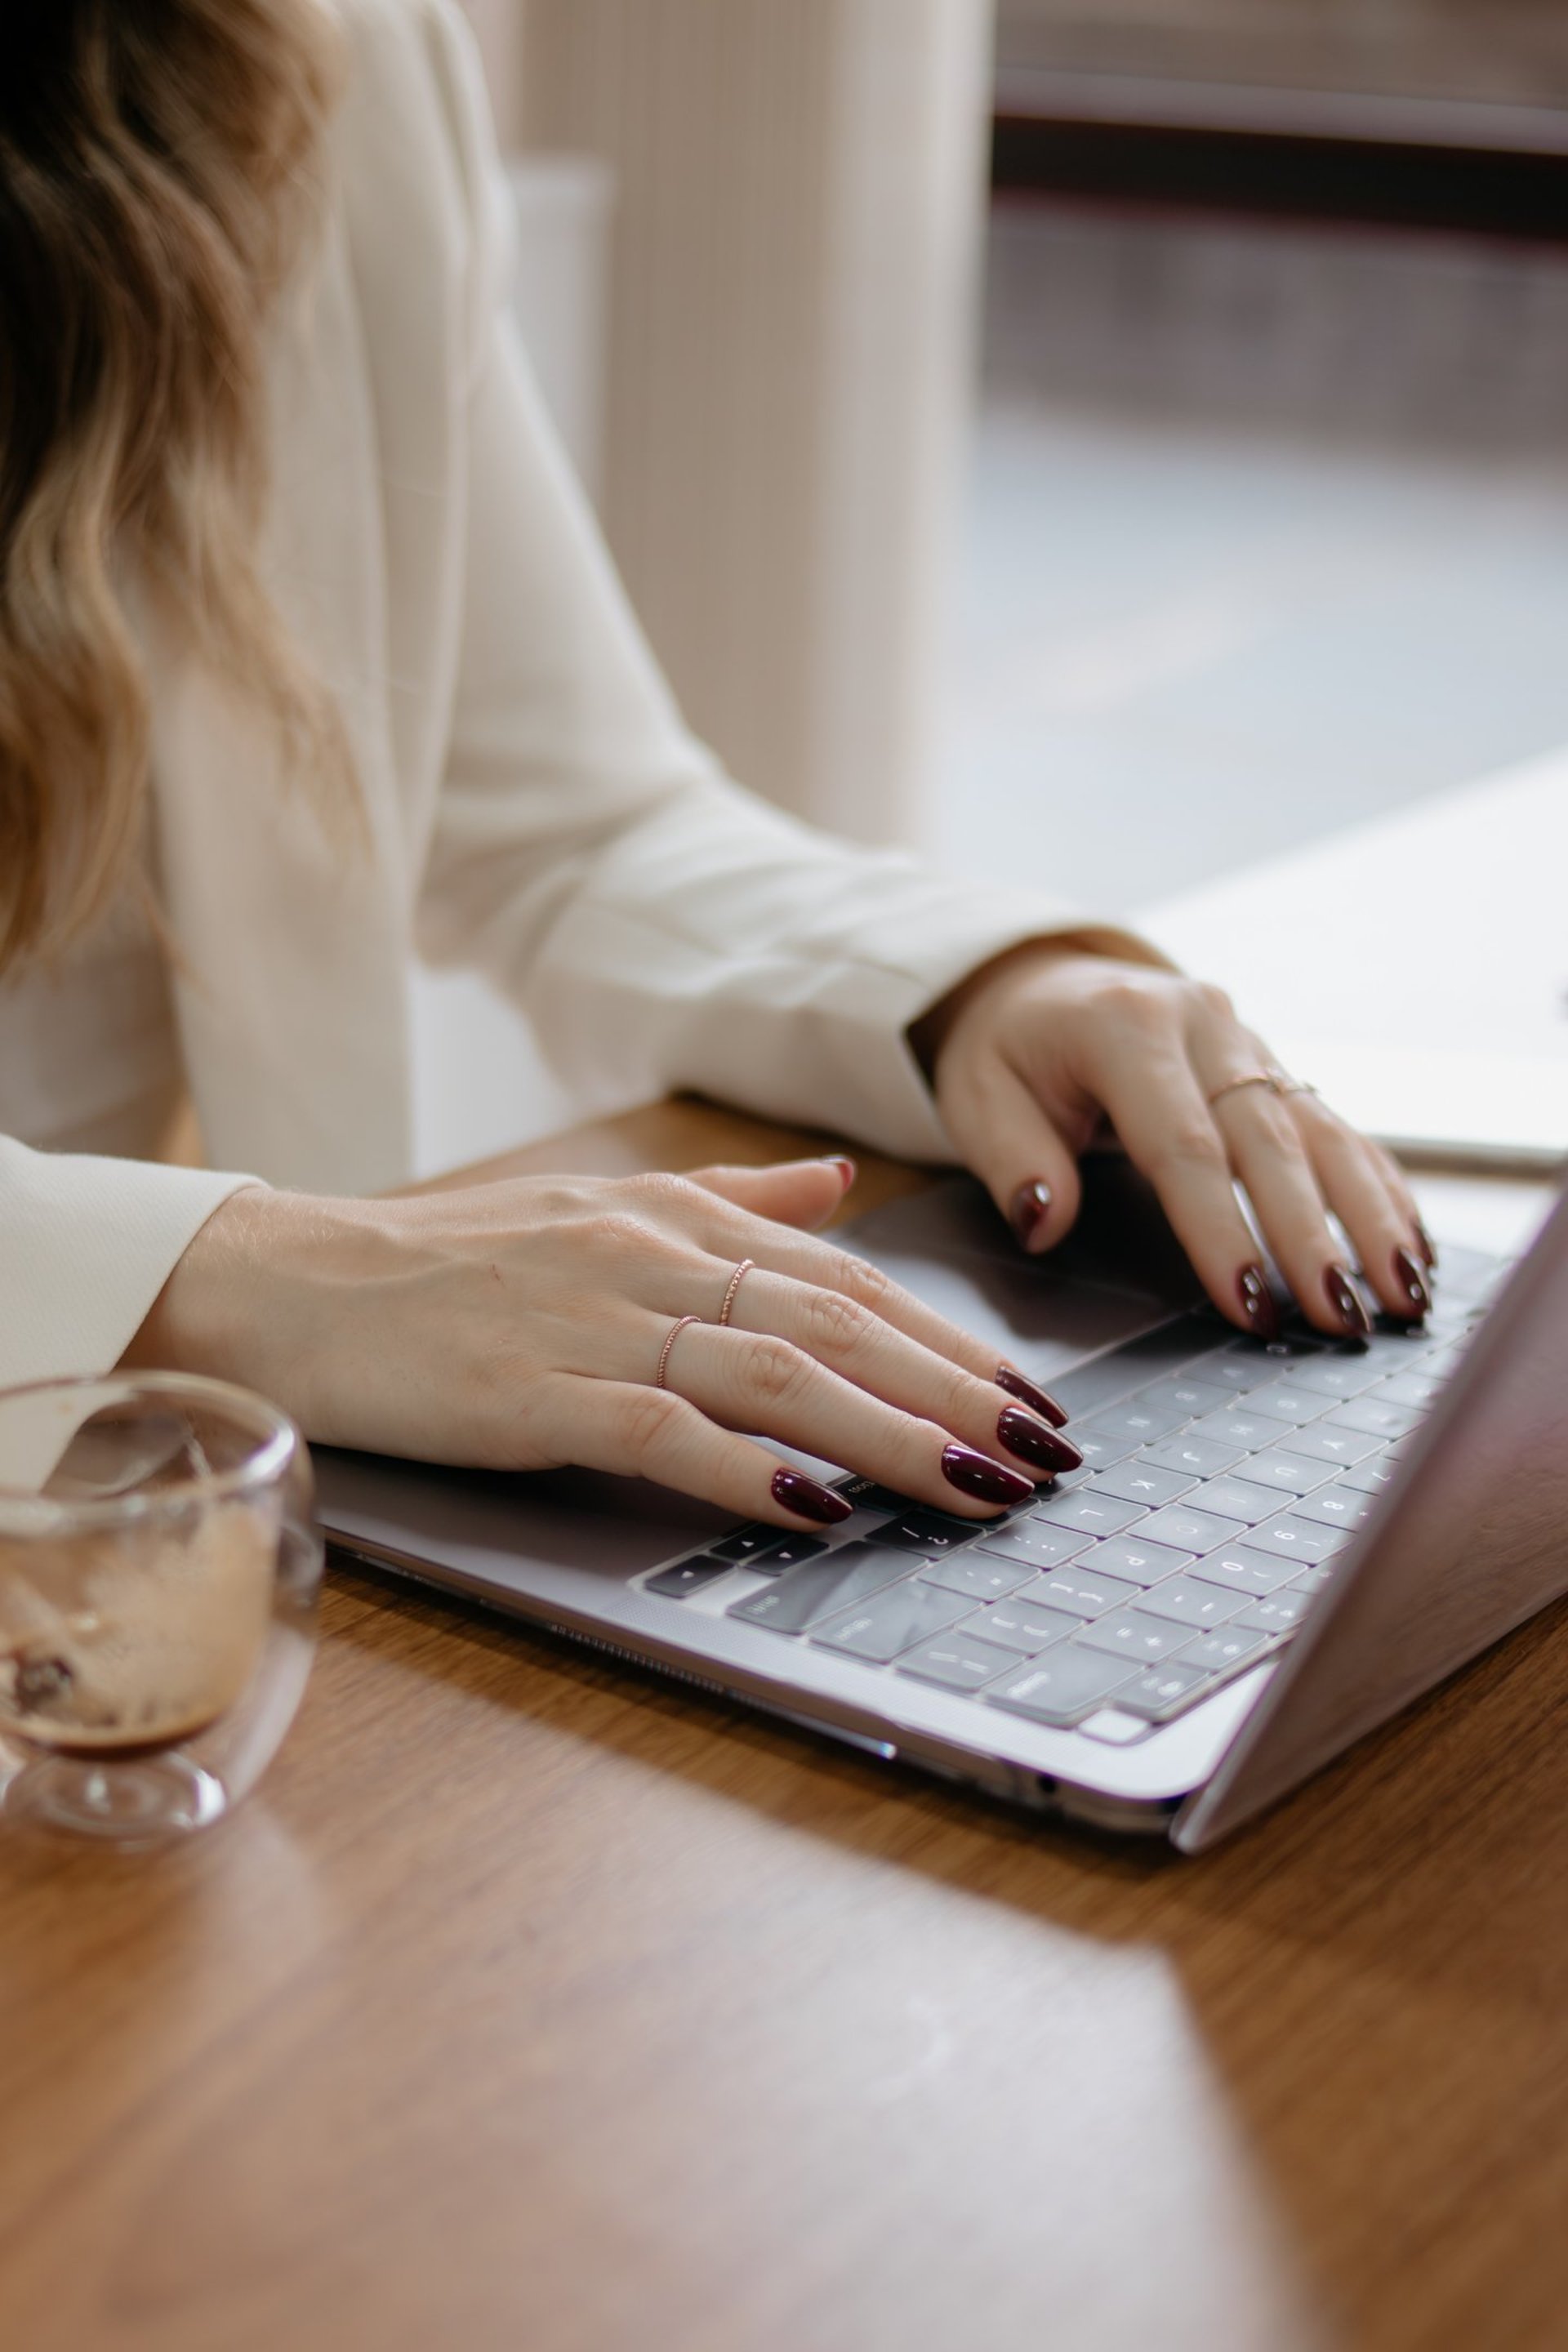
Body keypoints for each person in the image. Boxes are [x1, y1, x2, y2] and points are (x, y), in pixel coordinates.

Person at [0, 0, 1432, 1539]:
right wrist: (223, 1276)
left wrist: (982, 992)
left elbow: (574, 824)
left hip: (134, 1542)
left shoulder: (317, 61)